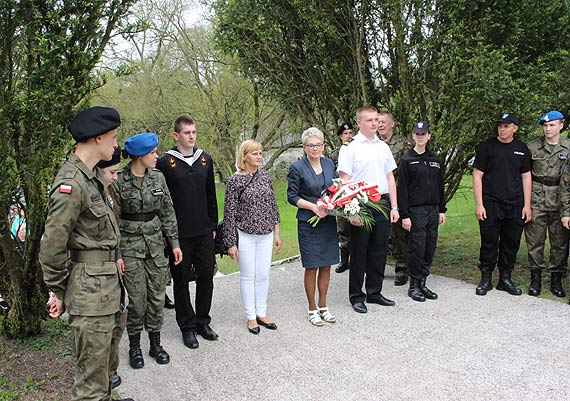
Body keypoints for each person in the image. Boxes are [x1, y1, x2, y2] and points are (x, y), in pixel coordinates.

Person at [39, 106, 133, 401]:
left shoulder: (92, 178)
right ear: (97, 138)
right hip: (89, 298)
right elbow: (52, 246)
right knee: (91, 386)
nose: (116, 145)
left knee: (105, 373)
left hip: (106, 292)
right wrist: (59, 290)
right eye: (113, 137)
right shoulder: (72, 183)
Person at [114, 133, 182, 369]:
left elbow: (167, 213)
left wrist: (174, 243)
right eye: (153, 153)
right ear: (140, 155)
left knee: (156, 296)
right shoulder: (118, 181)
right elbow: (112, 220)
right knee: (137, 300)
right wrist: (117, 254)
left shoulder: (158, 179)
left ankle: (155, 343)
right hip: (129, 246)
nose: (156, 157)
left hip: (154, 246)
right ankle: (134, 346)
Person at [156, 116, 219, 349]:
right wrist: (166, 233)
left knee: (206, 277)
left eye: (194, 132)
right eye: (186, 133)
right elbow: (161, 200)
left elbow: (211, 195)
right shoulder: (165, 162)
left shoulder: (205, 159)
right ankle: (187, 326)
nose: (191, 136)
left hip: (204, 231)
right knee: (181, 280)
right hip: (179, 234)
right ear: (176, 135)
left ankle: (203, 321)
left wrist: (213, 225)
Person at [338, 105, 399, 313]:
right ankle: (357, 295)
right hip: (361, 204)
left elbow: (390, 176)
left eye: (376, 120)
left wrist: (395, 206)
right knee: (359, 251)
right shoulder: (350, 147)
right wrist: (351, 211)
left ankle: (374, 291)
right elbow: (344, 181)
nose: (375, 123)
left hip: (381, 202)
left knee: (379, 251)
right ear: (359, 123)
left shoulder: (382, 146)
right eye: (370, 120)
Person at [223, 139, 282, 334]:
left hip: (265, 233)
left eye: (260, 153)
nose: (259, 156)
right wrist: (231, 243)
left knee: (263, 274)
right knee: (248, 276)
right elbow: (229, 213)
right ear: (245, 156)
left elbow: (273, 205)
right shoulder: (235, 181)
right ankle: (251, 316)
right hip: (245, 234)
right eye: (255, 153)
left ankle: (262, 312)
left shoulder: (265, 176)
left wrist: (277, 232)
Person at [473, 113, 532, 296]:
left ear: (515, 128)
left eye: (506, 126)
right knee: (489, 242)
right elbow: (477, 175)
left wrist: (527, 205)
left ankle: (505, 279)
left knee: (511, 243)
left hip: (515, 204)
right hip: (491, 203)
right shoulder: (486, 147)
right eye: (500, 125)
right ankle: (486, 278)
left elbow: (526, 176)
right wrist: (479, 204)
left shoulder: (522, 149)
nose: (502, 129)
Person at [287, 127, 339, 326]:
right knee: (312, 265)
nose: (315, 148)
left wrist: (334, 204)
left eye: (318, 145)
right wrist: (313, 206)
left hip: (327, 220)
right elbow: (292, 196)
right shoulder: (297, 168)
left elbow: (334, 188)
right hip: (308, 222)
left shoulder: (328, 163)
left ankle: (323, 306)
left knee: (326, 264)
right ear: (304, 147)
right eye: (311, 145)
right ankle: (312, 309)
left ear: (323, 146)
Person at [397, 122, 447, 302]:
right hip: (415, 211)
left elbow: (440, 186)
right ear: (413, 136)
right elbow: (401, 189)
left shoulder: (435, 160)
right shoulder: (407, 160)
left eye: (423, 133)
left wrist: (442, 209)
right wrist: (405, 215)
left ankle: (423, 283)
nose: (420, 136)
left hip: (433, 210)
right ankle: (414, 285)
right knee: (416, 248)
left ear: (429, 136)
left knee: (429, 247)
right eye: (417, 134)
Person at [525, 110, 569, 297]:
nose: (548, 128)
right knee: (535, 241)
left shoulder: (568, 148)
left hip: (561, 201)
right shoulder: (532, 147)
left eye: (552, 125)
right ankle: (535, 278)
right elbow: (525, 176)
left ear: (561, 125)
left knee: (560, 243)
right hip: (537, 199)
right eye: (545, 125)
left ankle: (556, 279)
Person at [97, 146, 125, 389]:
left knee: (118, 322)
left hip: (113, 267)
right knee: (102, 333)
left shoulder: (108, 192)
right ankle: (103, 383)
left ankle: (110, 378)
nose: (115, 177)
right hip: (97, 274)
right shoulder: (90, 193)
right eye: (112, 172)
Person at [378, 111, 412, 286]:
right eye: (378, 121)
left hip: (396, 193)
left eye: (384, 122)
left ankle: (402, 268)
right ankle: (378, 268)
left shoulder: (403, 144)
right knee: (379, 233)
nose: (380, 124)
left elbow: (405, 170)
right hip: (376, 195)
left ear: (392, 124)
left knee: (397, 233)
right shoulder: (373, 144)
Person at [330, 122, 353, 274]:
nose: (349, 136)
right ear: (340, 136)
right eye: (345, 134)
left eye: (351, 133)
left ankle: (359, 261)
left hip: (358, 194)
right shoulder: (334, 154)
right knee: (343, 229)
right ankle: (344, 261)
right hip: (342, 196)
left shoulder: (361, 150)